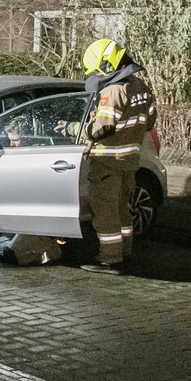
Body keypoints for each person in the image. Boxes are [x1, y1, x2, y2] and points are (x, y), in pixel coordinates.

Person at [76, 37, 158, 273]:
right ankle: (125, 251)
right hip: (130, 161)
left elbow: (102, 127)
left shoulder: (112, 92)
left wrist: (76, 130)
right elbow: (150, 121)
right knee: (123, 209)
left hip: (107, 163)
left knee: (105, 212)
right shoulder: (140, 87)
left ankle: (109, 259)